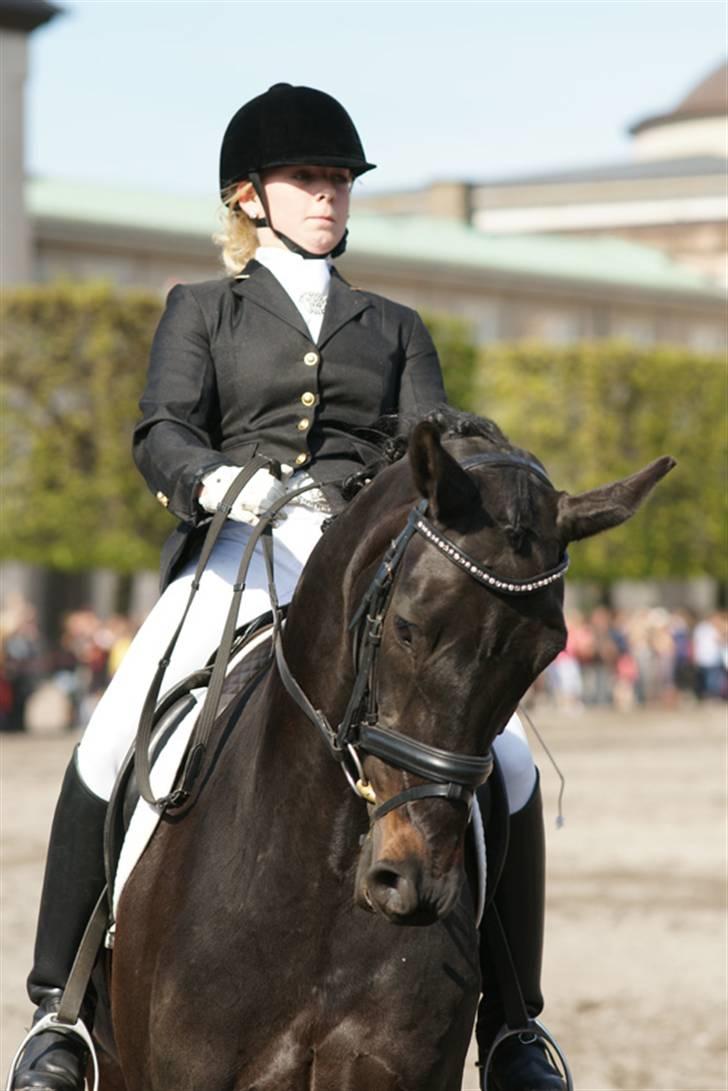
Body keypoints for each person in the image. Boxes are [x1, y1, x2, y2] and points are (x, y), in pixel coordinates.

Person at [11, 84, 566, 1091]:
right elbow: (161, 431)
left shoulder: (391, 324)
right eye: (309, 179)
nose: (328, 196)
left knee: (513, 764)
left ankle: (516, 1023)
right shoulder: (202, 311)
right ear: (249, 195)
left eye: (340, 180)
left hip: (359, 565)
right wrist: (222, 479)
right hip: (237, 552)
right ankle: (61, 1011)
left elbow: (430, 437)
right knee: (108, 734)